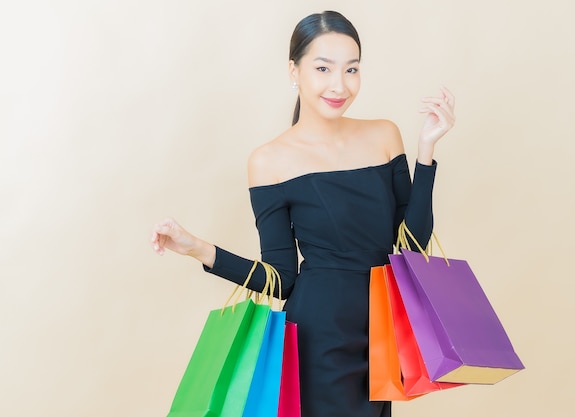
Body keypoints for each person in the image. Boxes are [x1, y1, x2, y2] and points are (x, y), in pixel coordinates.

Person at [151, 10, 455, 417]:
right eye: (323, 68)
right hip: (318, 339)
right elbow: (281, 278)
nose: (339, 85)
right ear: (294, 71)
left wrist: (426, 154)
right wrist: (196, 249)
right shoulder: (270, 160)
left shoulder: (384, 134)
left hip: (384, 333)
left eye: (351, 69)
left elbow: (411, 247)